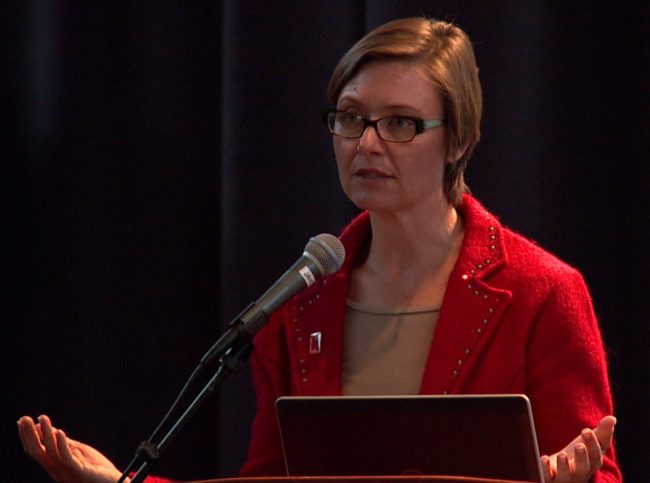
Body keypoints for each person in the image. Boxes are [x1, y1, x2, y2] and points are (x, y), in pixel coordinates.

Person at [18, 17, 621, 483]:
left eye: (401, 123)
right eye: (351, 117)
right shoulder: (301, 299)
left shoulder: (541, 291)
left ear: (460, 139)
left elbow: (596, 470)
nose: (367, 143)